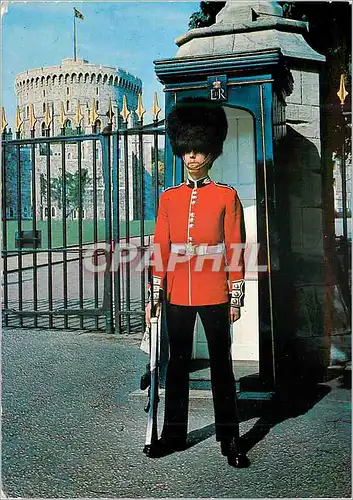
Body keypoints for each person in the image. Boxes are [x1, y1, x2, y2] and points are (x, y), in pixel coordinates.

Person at [145, 99, 249, 468]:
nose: (192, 158)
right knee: (177, 365)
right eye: (187, 151)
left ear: (211, 152)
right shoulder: (169, 197)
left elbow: (235, 247)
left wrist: (236, 295)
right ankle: (173, 434)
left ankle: (230, 437)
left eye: (199, 151)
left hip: (214, 290)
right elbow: (160, 246)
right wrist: (155, 293)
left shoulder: (226, 196)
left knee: (221, 365)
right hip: (175, 290)